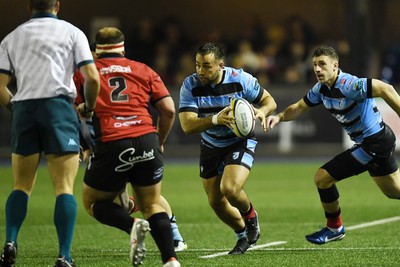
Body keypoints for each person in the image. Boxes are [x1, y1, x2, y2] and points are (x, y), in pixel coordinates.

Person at [266, 44, 400, 245]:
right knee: (394, 192)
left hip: (374, 142)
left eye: (322, 64)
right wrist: (279, 117)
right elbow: (300, 107)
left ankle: (334, 228)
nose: (317, 69)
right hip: (376, 142)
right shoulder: (321, 90)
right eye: (314, 65)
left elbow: (386, 88)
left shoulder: (349, 85)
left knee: (322, 178)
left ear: (335, 66)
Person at [0, 1, 100, 267]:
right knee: (63, 188)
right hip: (58, 109)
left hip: (24, 111)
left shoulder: (12, 37)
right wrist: (88, 107)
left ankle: (10, 241)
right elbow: (92, 77)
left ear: (29, 6)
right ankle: (64, 255)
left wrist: (15, 107)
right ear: (57, 5)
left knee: (21, 185)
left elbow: (0, 86)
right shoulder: (72, 32)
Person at [74, 27, 180, 267]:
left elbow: (73, 111)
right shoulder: (143, 69)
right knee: (152, 204)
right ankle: (171, 259)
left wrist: (84, 145)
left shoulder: (86, 72)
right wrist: (159, 141)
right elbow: (169, 110)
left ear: (96, 49)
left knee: (93, 203)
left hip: (112, 143)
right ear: (123, 48)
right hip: (146, 138)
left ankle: (132, 226)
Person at [178, 42, 277, 254]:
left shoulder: (241, 79)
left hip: (239, 140)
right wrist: (216, 119)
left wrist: (261, 111)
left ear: (221, 65)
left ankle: (251, 218)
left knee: (230, 188)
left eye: (206, 66)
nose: (200, 71)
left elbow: (269, 101)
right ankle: (242, 234)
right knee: (216, 202)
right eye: (197, 65)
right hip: (211, 144)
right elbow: (187, 125)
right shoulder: (190, 85)